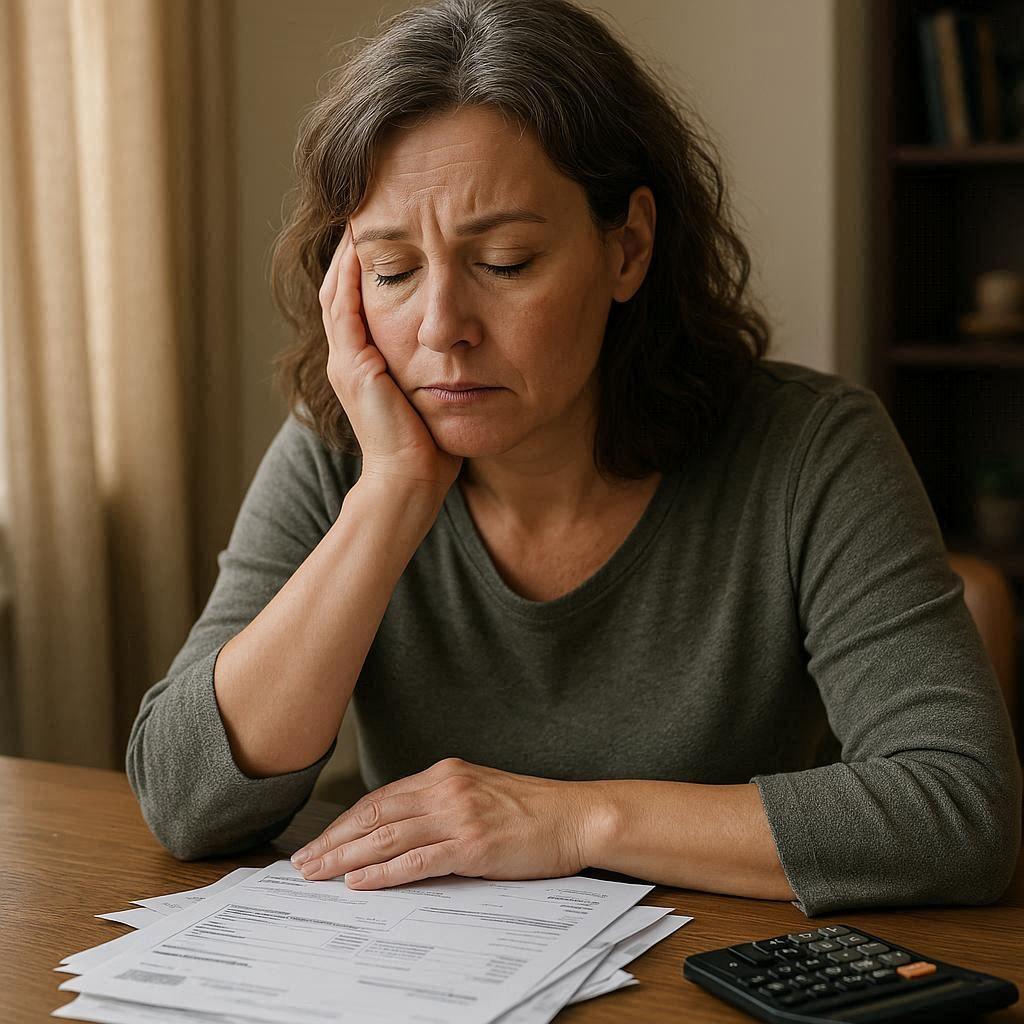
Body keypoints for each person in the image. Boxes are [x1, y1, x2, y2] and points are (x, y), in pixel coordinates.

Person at [125, 0, 1021, 918]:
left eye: (506, 262)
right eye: (392, 271)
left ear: (626, 246)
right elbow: (185, 802)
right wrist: (390, 496)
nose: (442, 331)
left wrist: (571, 822)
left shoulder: (810, 450)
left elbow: (958, 811)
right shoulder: (342, 449)